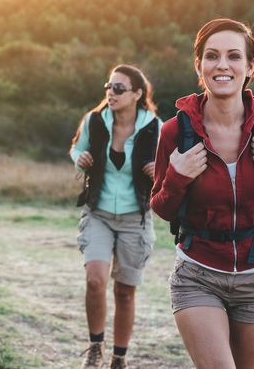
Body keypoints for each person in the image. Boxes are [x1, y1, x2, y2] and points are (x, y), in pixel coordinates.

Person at [151, 19, 254, 369]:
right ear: (199, 66)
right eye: (212, 56)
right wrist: (177, 176)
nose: (222, 65)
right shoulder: (176, 131)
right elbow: (161, 206)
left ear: (250, 67)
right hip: (198, 273)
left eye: (234, 56)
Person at [70, 64, 162, 369]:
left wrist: (160, 172)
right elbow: (77, 149)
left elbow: (173, 166)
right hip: (98, 214)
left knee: (124, 292)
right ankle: (95, 347)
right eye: (109, 86)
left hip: (136, 217)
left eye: (119, 88)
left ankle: (118, 358)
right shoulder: (94, 121)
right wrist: (80, 159)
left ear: (137, 94)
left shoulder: (155, 128)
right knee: (95, 280)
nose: (111, 92)